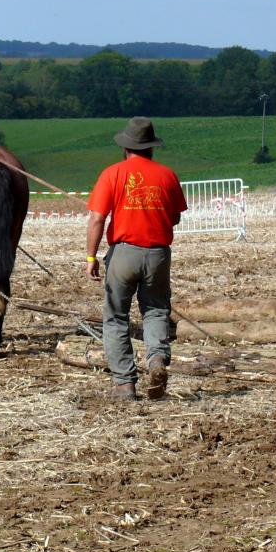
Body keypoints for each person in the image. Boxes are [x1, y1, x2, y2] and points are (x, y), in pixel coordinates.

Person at [86, 116, 187, 401]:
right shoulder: (167, 175)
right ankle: (156, 361)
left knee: (116, 317)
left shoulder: (112, 174)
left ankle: (125, 384)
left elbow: (96, 219)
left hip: (123, 253)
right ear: (151, 148)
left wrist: (90, 255)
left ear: (126, 147)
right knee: (155, 311)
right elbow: (175, 216)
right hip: (158, 255)